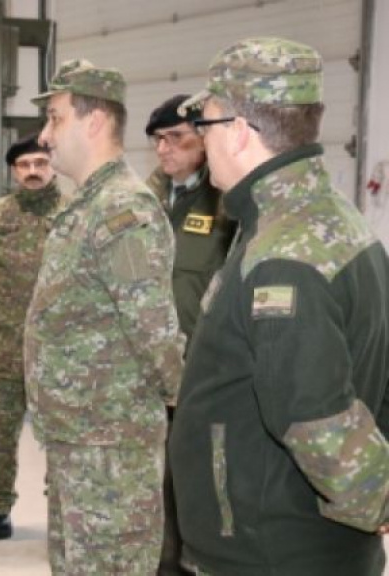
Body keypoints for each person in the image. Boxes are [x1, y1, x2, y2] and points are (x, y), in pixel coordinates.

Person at [169, 37, 389, 576]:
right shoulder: (330, 222)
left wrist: (379, 498)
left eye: (206, 124)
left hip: (269, 552)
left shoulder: (283, 257)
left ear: (239, 132)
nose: (201, 139)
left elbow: (316, 418)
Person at [24, 59, 184, 575]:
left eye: (55, 118)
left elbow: (154, 331)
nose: (44, 135)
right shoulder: (87, 205)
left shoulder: (123, 210)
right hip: (80, 441)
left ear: (93, 121)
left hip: (111, 451)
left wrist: (178, 400)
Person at [0, 134, 66, 548]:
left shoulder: (73, 214)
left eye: (40, 162)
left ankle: (63, 519)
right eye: (24, 165)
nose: (33, 171)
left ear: (52, 165)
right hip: (4, 351)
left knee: (61, 442)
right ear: (13, 171)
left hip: (59, 355)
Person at [144, 94, 237, 576]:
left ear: (203, 139)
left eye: (176, 138)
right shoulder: (144, 201)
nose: (164, 149)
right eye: (158, 140)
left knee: (201, 484)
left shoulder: (227, 205)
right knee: (154, 484)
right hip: (148, 369)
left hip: (203, 373)